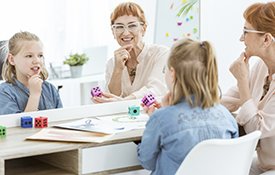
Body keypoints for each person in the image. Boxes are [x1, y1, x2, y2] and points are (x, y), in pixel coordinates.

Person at [137, 38, 239, 175]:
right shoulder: (226, 116)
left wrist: (157, 119)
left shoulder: (161, 119)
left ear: (172, 73)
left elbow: (147, 162)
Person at [221, 2, 275, 175]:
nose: (241, 39)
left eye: (246, 32)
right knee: (219, 168)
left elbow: (256, 129)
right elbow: (226, 102)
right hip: (263, 163)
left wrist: (242, 81)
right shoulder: (261, 66)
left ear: (266, 39)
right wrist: (182, 106)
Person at [93, 2, 169, 103]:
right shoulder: (112, 63)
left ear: (144, 28)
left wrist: (123, 102)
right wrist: (118, 69)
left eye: (132, 25)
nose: (126, 33)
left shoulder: (161, 53)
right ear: (113, 32)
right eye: (119, 27)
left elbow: (157, 90)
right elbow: (111, 99)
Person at [0, 31, 62, 115]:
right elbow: (17, 127)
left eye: (40, 55)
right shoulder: (4, 92)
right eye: (29, 56)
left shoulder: (50, 89)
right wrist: (34, 95)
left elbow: (60, 119)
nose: (37, 60)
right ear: (12, 59)